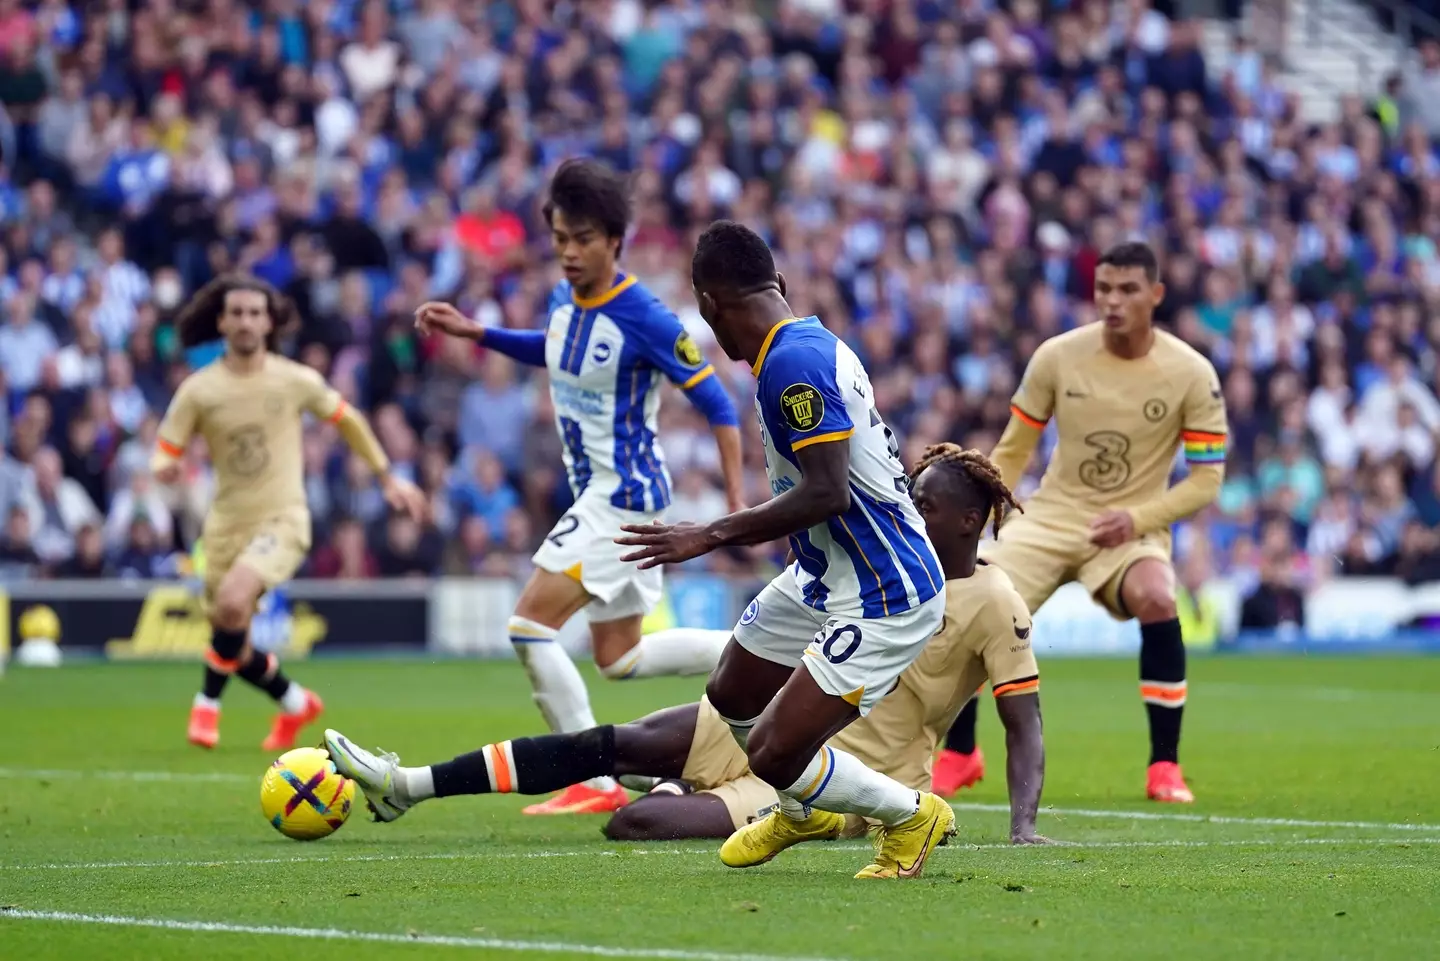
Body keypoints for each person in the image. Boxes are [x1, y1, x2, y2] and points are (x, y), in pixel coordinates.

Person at [324, 445, 1049, 845]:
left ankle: (722, 796)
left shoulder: (995, 601)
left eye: (925, 504)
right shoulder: (874, 565)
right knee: (613, 743)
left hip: (838, 771)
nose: (909, 511)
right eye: (908, 496)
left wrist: (1022, 829)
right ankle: (407, 786)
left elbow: (1024, 722)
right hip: (766, 722)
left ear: (969, 520)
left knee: (633, 821)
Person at [614, 221, 951, 880]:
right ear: (779, 283)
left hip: (885, 589)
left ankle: (911, 815)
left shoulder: (793, 363)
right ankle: (804, 811)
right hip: (827, 573)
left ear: (709, 305)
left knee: (771, 753)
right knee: (732, 690)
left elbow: (827, 491)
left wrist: (709, 533)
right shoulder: (800, 345)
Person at [414, 159, 745, 816]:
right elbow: (554, 348)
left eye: (583, 239)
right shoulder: (566, 299)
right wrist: (477, 333)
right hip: (604, 493)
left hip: (621, 497)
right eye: (561, 238)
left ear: (615, 241)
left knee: (528, 626)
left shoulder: (646, 316)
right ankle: (758, 654)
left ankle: (592, 780)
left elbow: (718, 403)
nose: (568, 252)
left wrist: (733, 506)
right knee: (620, 658)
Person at [934, 241, 1227, 805]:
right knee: (969, 596)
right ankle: (961, 752)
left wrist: (1137, 518)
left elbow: (1206, 480)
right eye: (1103, 289)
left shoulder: (1192, 372)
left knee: (1158, 597)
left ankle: (1164, 766)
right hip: (1050, 517)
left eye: (1127, 290)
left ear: (1156, 295)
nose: (1112, 301)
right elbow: (1014, 449)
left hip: (1130, 524)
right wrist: (982, 514)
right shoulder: (1057, 355)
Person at [152, 274, 426, 752]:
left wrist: (387, 477)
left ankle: (206, 704)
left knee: (233, 602)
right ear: (221, 322)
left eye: (255, 313)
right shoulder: (199, 390)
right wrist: (167, 468)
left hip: (283, 519)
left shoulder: (293, 379)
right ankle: (296, 702)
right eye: (237, 313)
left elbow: (347, 420)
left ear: (269, 322)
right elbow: (164, 449)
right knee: (231, 638)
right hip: (223, 526)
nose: (246, 321)